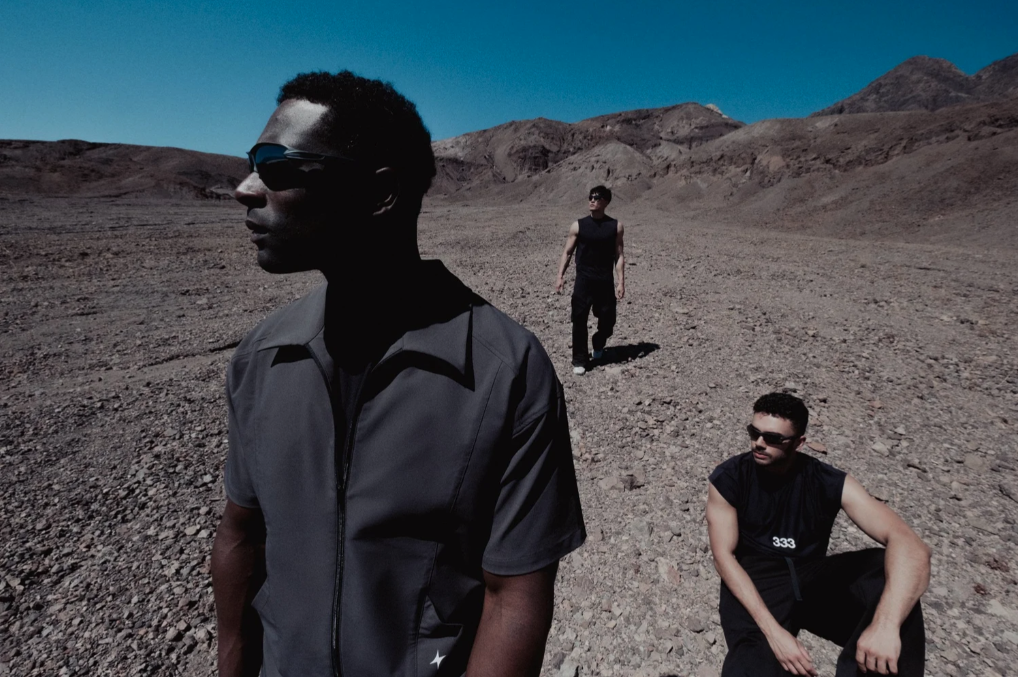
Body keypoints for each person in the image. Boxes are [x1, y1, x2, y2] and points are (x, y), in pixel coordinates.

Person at [211, 70, 586, 677]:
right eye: (252, 163)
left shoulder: (505, 373)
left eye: (277, 166)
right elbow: (240, 535)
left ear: (380, 194)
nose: (245, 189)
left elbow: (512, 593)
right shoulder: (263, 357)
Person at [706, 393, 930, 676]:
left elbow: (912, 546)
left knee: (890, 573)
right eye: (754, 432)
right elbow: (723, 558)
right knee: (751, 668)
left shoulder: (826, 481)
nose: (759, 443)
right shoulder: (729, 478)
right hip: (756, 583)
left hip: (810, 578)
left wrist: (886, 626)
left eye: (773, 438)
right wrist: (775, 634)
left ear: (799, 443)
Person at [554, 185, 625, 375]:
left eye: (597, 197)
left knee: (608, 320)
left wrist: (621, 281)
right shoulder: (578, 225)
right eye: (590, 197)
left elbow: (619, 255)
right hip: (583, 280)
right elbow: (567, 252)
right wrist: (560, 276)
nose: (592, 200)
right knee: (579, 319)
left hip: (604, 281)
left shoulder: (615, 226)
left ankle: (599, 342)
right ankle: (580, 359)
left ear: (606, 202)